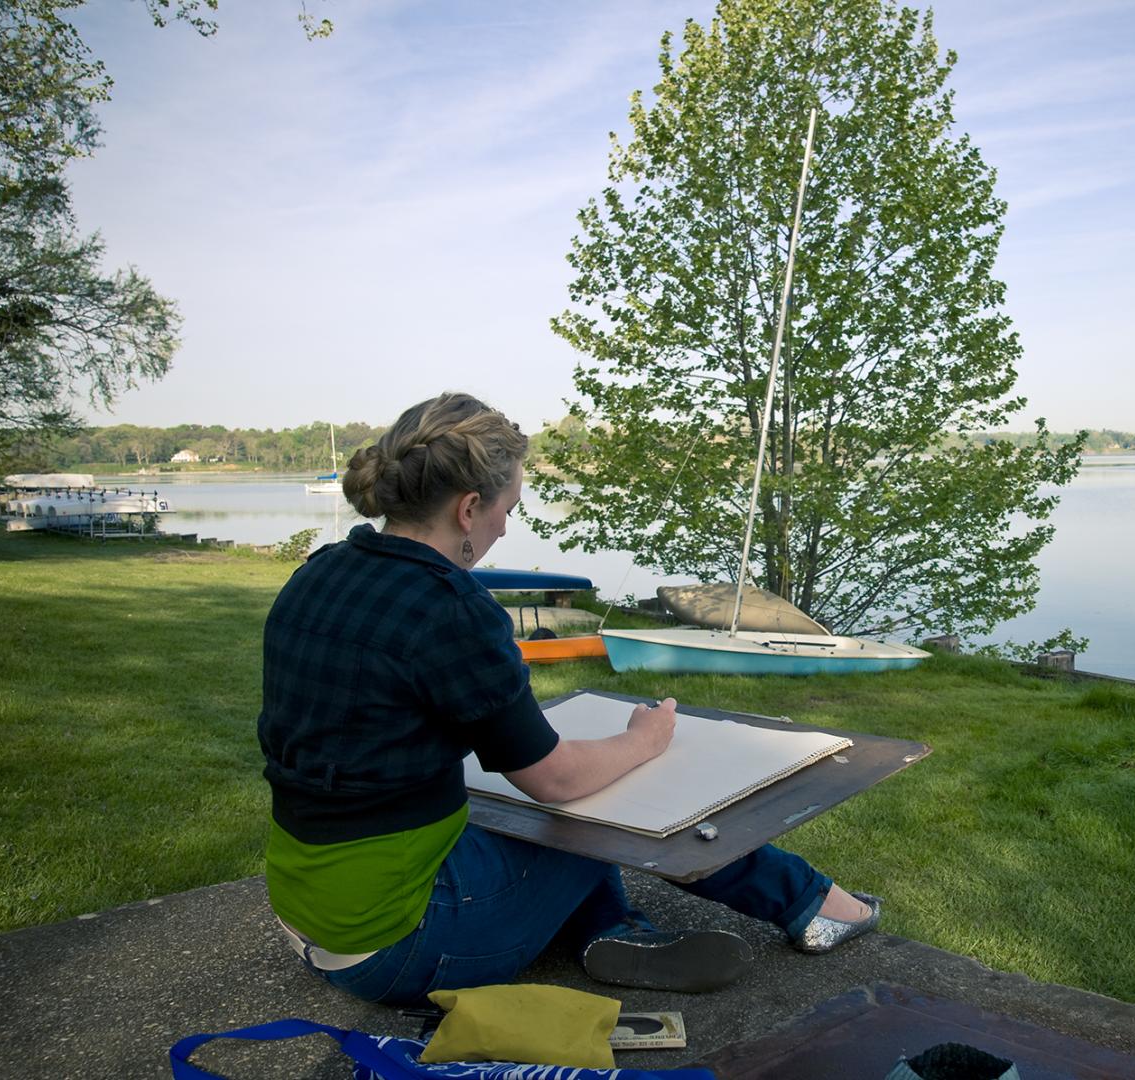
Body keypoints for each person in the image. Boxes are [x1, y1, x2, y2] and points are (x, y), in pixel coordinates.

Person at [257, 391, 878, 1005]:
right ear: (469, 508)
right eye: (508, 508)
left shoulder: (323, 570)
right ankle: (814, 905)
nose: (506, 526)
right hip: (403, 941)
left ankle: (611, 930)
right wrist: (643, 741)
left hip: (313, 908)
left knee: (568, 798)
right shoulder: (450, 607)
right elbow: (553, 781)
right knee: (616, 791)